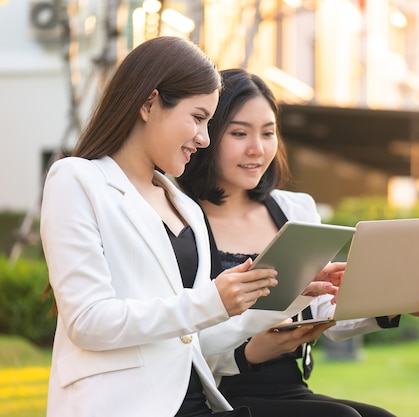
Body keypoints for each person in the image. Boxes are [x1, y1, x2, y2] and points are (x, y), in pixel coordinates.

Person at [39, 37, 337, 417]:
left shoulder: (183, 206)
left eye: (209, 123)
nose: (205, 138)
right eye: (198, 118)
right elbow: (89, 322)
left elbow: (195, 336)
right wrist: (211, 300)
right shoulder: (77, 179)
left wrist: (293, 299)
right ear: (149, 104)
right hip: (122, 405)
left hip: (195, 401)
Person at [176, 68, 419, 417]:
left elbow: (320, 313)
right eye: (239, 133)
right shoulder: (181, 217)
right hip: (220, 392)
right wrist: (249, 351)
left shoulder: (293, 209)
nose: (257, 149)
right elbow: (182, 334)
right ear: (208, 135)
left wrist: (391, 302)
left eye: (268, 133)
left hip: (289, 387)